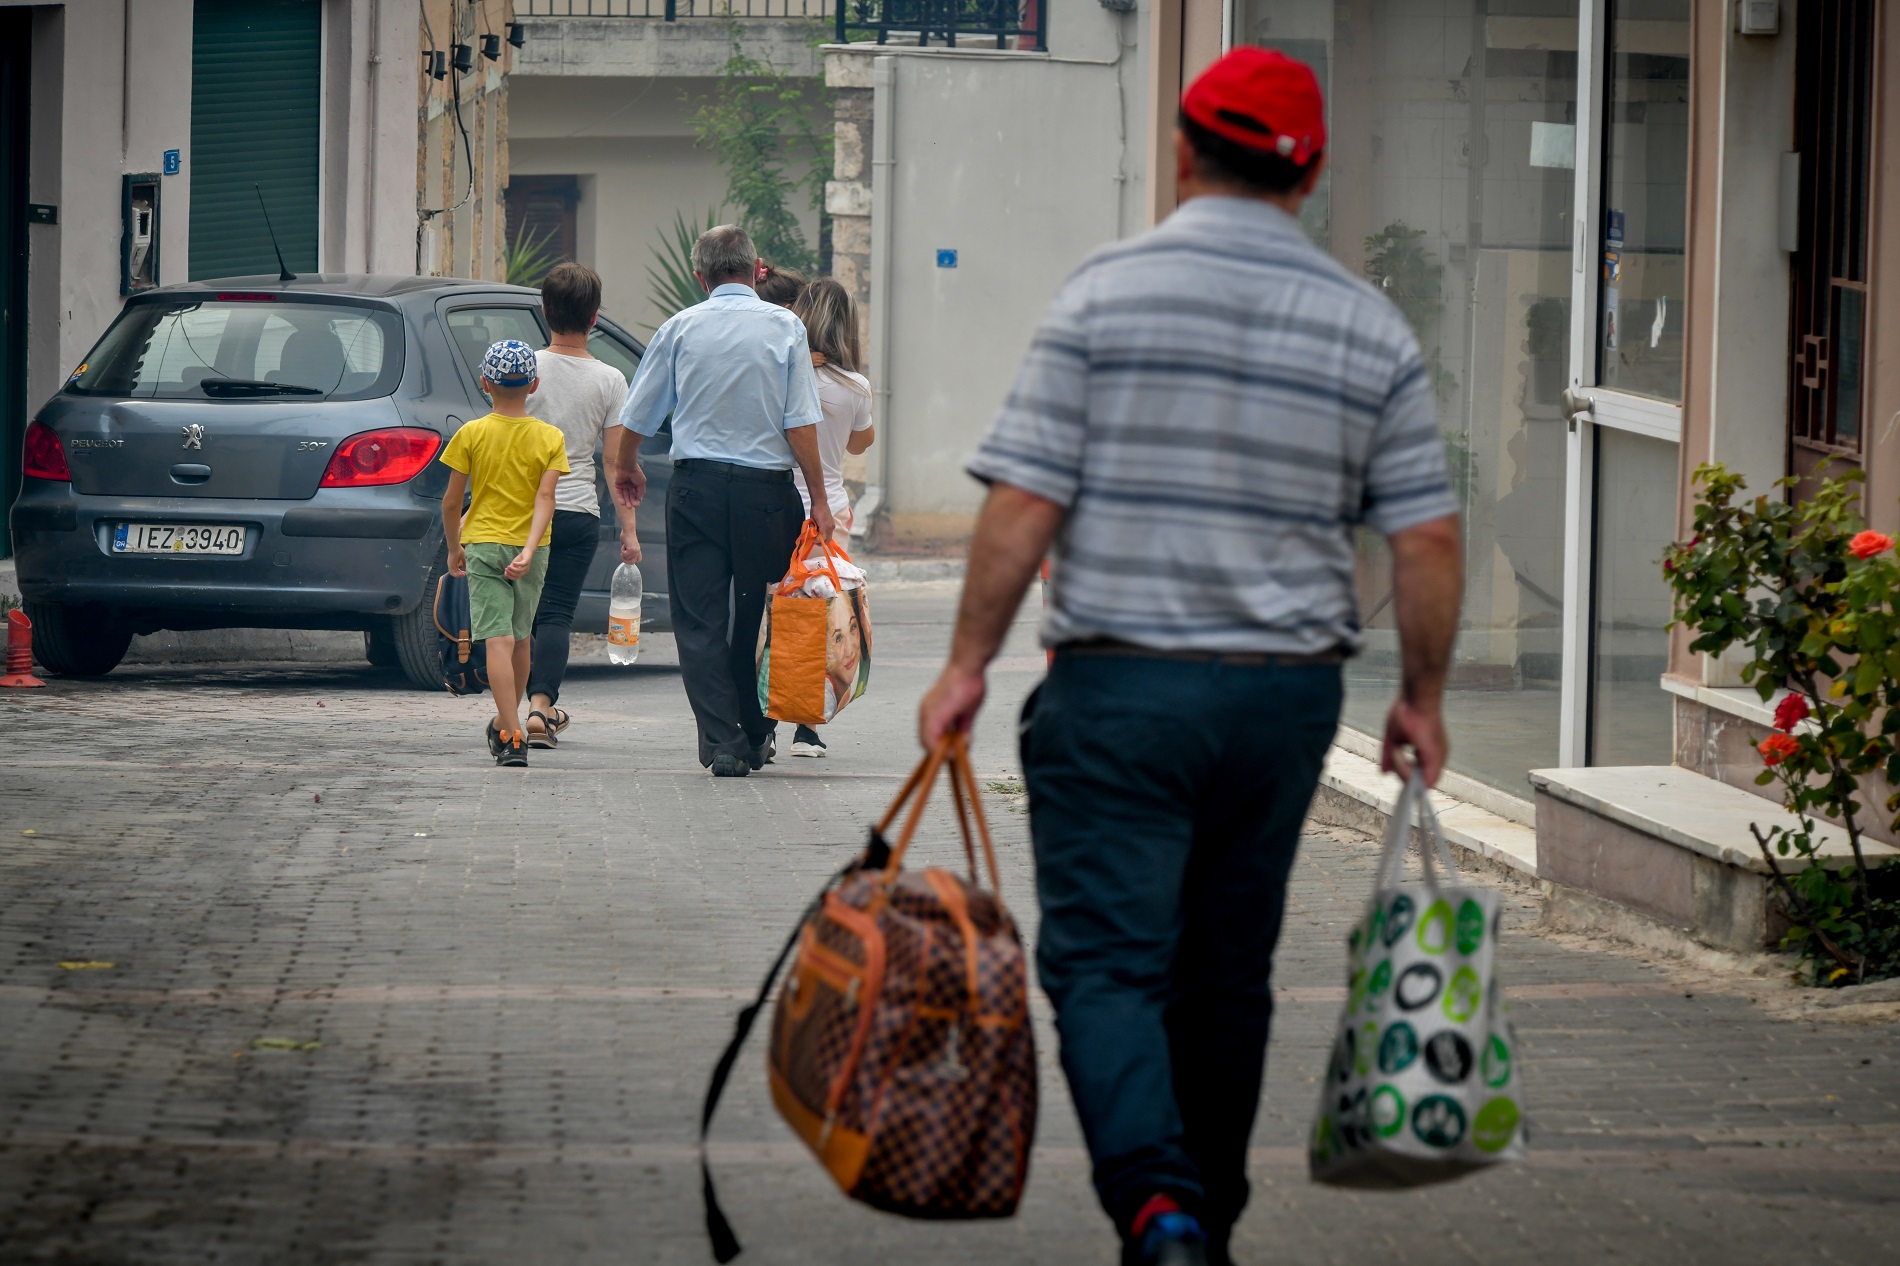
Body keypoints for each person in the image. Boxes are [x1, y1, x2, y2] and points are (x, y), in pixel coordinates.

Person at [917, 48, 1464, 1266]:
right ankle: (1202, 1215)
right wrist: (1420, 696)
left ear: (1179, 150)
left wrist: (964, 665)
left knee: (1110, 964)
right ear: (1309, 170)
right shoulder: (1365, 324)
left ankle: (1160, 1212)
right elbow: (1424, 532)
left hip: (1119, 691)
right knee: (1226, 974)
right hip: (1281, 706)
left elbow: (1021, 505)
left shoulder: (1102, 297)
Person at [611, 225, 833, 779]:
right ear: (756, 269)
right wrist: (820, 501)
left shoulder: (679, 328)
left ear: (699, 276)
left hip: (696, 491)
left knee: (700, 617)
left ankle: (723, 740)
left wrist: (626, 465)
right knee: (763, 614)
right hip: (766, 495)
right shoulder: (785, 327)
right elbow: (801, 424)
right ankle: (757, 731)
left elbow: (637, 414)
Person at [521, 263, 643, 749]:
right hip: (576, 513)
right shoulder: (611, 380)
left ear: (544, 311)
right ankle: (541, 708)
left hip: (520, 512)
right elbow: (617, 464)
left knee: (517, 617)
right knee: (554, 615)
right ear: (595, 318)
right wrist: (629, 532)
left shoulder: (523, 368)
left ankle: (509, 712)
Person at [441, 340, 572, 768]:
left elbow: (450, 502)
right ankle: (507, 723)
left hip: (482, 544)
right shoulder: (550, 437)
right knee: (520, 640)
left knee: (495, 640)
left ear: (485, 383)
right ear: (533, 384)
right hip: (533, 550)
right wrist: (530, 549)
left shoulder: (471, 434)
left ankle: (511, 734)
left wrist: (454, 547)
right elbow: (546, 499)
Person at [787, 277, 876, 757]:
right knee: (819, 616)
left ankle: (761, 718)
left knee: (773, 610)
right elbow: (861, 442)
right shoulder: (856, 386)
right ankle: (807, 726)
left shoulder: (784, 373)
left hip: (782, 502)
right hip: (829, 513)